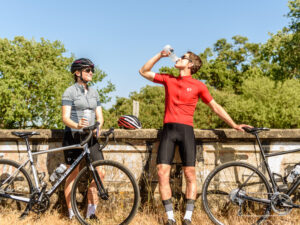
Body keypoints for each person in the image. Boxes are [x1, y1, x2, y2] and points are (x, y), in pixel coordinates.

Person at [139, 49, 251, 225]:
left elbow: (215, 107)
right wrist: (160, 56)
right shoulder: (169, 79)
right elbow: (143, 71)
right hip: (168, 130)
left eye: (183, 57)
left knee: (190, 174)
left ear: (190, 65)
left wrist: (234, 125)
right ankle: (170, 217)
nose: (178, 59)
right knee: (162, 172)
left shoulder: (199, 85)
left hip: (186, 131)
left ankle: (188, 217)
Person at [61, 58, 104, 220]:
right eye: (88, 70)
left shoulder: (94, 92)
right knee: (73, 174)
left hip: (91, 137)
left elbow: (100, 116)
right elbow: (65, 118)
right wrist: (77, 125)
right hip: (73, 136)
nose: (91, 73)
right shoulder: (69, 92)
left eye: (92, 70)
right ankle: (72, 214)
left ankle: (91, 213)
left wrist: (98, 126)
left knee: (100, 172)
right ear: (77, 73)